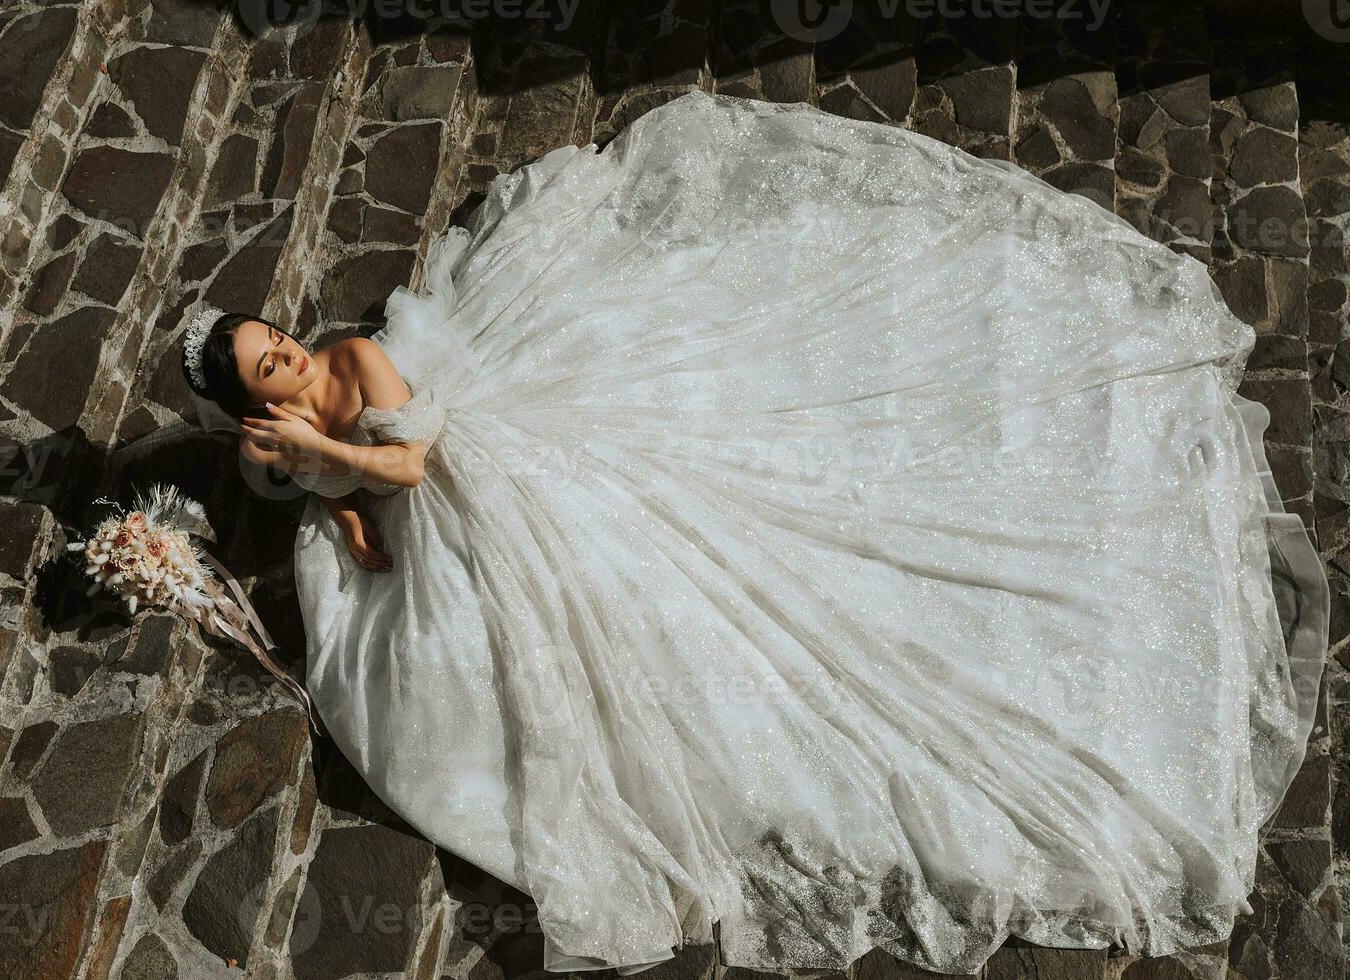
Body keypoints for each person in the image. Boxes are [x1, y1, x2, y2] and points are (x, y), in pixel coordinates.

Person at [181, 89, 1329, 976]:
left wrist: (333, 462)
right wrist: (333, 512)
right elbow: (371, 527)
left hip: (501, 473)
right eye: (260, 370)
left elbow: (413, 462)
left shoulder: (355, 359)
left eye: (271, 338)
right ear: (251, 405)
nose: (282, 356)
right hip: (468, 537)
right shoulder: (284, 439)